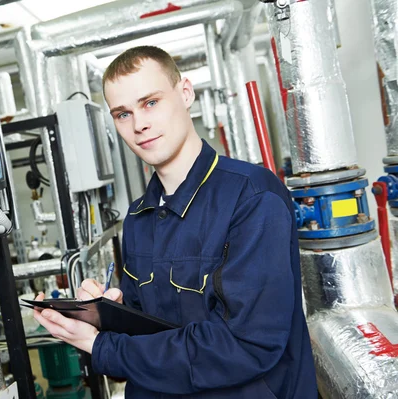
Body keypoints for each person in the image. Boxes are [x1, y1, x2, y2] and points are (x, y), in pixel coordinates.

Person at [33, 45, 317, 398]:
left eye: (150, 102)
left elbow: (245, 346)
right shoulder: (138, 217)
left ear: (185, 93)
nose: (140, 124)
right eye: (123, 114)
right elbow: (147, 328)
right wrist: (104, 315)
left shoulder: (252, 198)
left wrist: (104, 347)